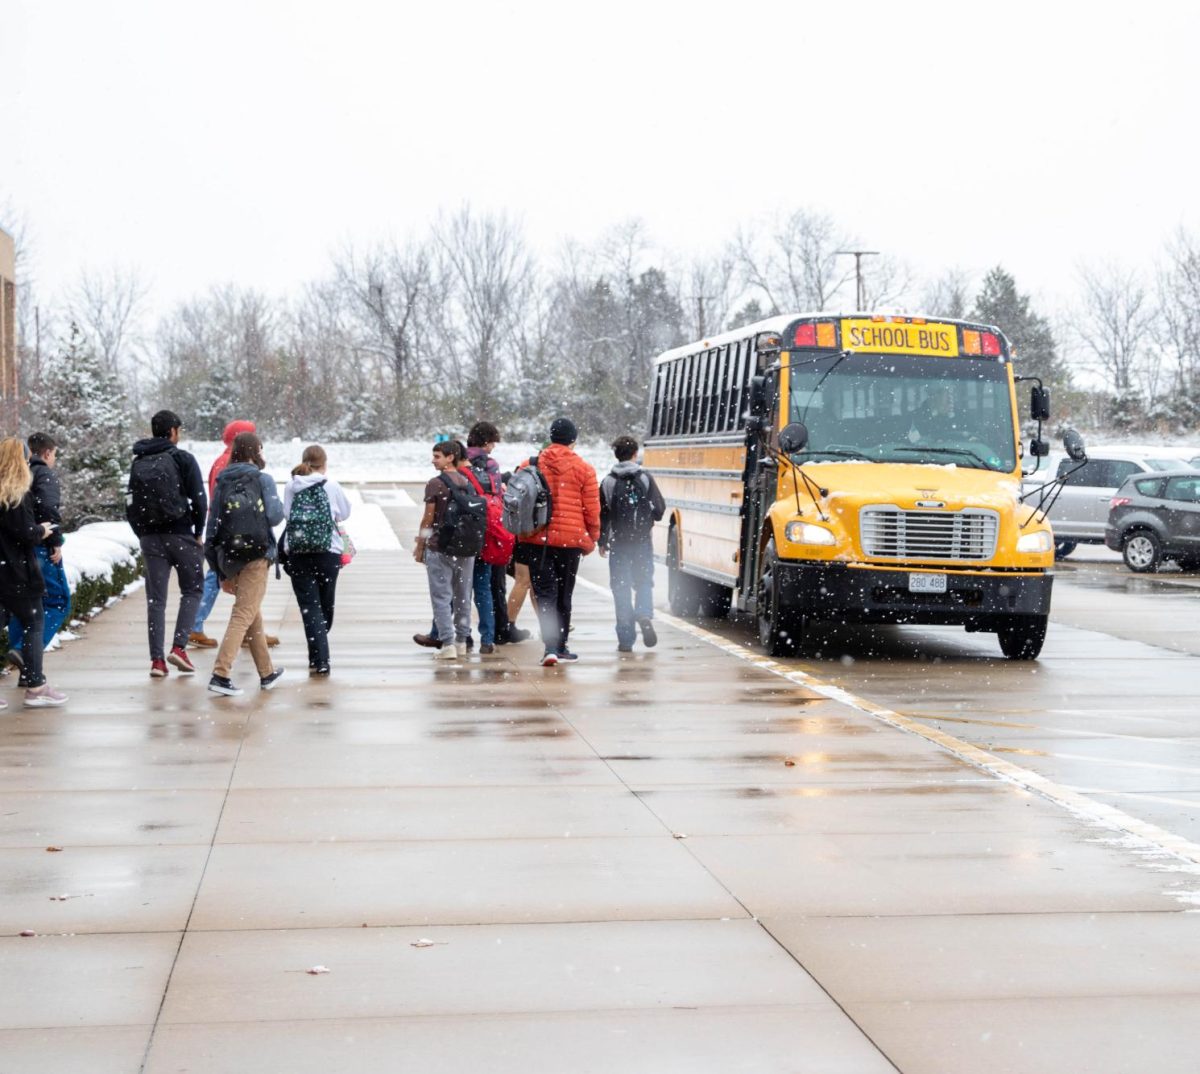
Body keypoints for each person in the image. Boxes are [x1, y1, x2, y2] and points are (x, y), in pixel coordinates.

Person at [126, 410, 208, 678]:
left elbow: (129, 505)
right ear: (173, 431)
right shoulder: (183, 458)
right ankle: (179, 647)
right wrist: (197, 531)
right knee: (193, 590)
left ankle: (157, 661)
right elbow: (199, 499)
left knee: (156, 600)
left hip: (151, 538)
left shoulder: (139, 461)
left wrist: (143, 533)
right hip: (180, 534)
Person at [204, 432, 285, 696]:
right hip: (256, 554)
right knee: (243, 615)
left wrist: (217, 568)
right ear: (255, 451)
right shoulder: (263, 479)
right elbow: (274, 517)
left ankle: (267, 673)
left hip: (230, 556)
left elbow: (212, 526)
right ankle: (220, 673)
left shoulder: (222, 481)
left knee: (251, 614)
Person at [189, 419, 279, 650]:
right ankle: (195, 625)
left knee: (245, 587)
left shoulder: (223, 461)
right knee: (220, 580)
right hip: (235, 536)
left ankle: (253, 633)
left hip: (227, 533)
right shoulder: (233, 465)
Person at [519, 418, 600, 667]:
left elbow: (517, 500)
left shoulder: (530, 465)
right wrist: (593, 536)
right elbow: (592, 509)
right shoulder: (584, 469)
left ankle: (550, 647)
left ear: (551, 437)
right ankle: (561, 646)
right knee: (564, 594)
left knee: (545, 594)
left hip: (537, 538)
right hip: (570, 541)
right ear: (573, 440)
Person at [0, 437, 68, 707]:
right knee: (34, 622)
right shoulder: (17, 493)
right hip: (17, 571)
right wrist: (43, 531)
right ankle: (36, 685)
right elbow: (25, 532)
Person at [282, 444, 351, 676]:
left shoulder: (292, 485)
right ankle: (321, 655)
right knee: (325, 606)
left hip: (299, 552)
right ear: (324, 463)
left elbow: (287, 514)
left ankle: (318, 656)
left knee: (309, 608)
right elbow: (344, 513)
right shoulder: (331, 484)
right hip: (327, 552)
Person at [599, 436, 666, 652]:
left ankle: (626, 639)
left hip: (619, 543)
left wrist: (602, 540)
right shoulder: (645, 478)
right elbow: (659, 509)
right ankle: (644, 613)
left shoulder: (608, 482)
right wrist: (649, 518)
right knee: (644, 581)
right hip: (642, 542)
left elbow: (604, 514)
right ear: (635, 454)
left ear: (615, 454)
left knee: (621, 588)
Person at [413, 440, 475, 662]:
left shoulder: (435, 484)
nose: (433, 460)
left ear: (451, 457)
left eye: (437, 456)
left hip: (440, 547)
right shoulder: (467, 482)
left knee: (441, 597)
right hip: (465, 547)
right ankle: (461, 642)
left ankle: (447, 643)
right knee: (463, 597)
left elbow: (428, 518)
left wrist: (421, 544)